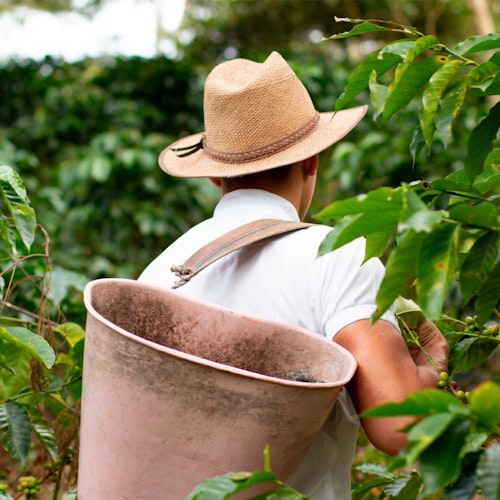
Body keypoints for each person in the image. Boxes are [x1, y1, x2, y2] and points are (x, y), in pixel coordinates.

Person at [138, 51, 449, 499]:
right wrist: (434, 359)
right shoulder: (339, 255)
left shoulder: (157, 273)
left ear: (215, 177)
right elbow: (399, 426)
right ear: (312, 161)